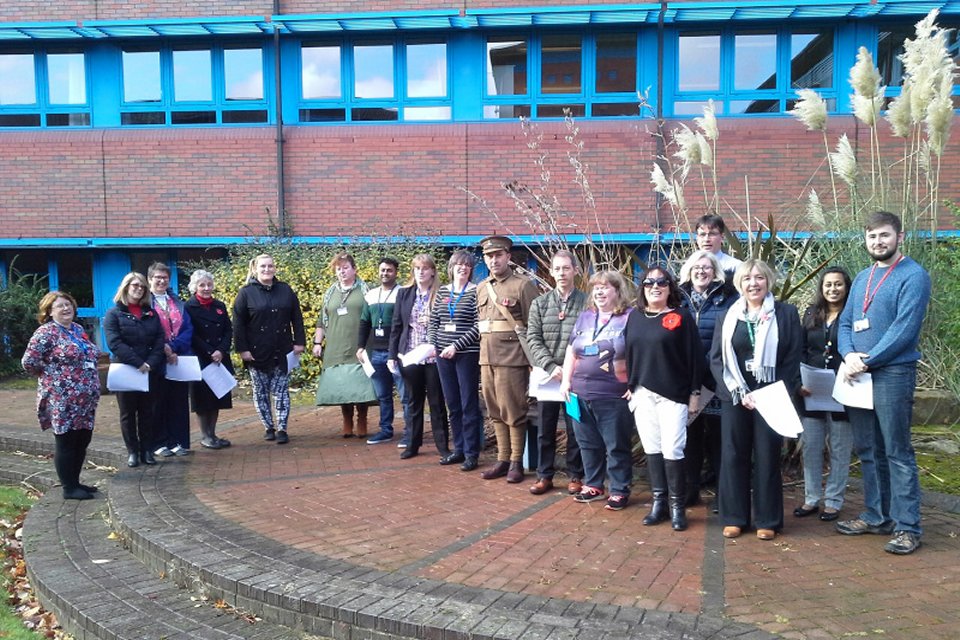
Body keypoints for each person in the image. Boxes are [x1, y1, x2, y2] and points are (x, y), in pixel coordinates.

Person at [836, 211, 930, 555]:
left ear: (899, 237)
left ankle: (908, 526)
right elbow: (846, 323)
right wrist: (848, 356)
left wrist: (866, 360)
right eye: (872, 236)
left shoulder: (914, 275)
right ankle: (877, 516)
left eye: (885, 235)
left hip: (892, 374)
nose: (878, 242)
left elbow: (904, 330)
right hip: (858, 374)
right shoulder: (862, 277)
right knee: (869, 450)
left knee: (897, 452)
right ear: (866, 239)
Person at [710, 259, 802, 541]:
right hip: (736, 394)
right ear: (739, 284)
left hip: (771, 395)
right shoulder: (728, 316)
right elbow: (717, 359)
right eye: (747, 278)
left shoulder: (785, 314)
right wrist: (736, 391)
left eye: (759, 278)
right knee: (734, 454)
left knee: (767, 455)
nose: (753, 283)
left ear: (768, 281)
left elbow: (792, 357)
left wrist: (769, 393)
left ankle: (768, 520)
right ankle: (735, 517)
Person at [626, 266, 703, 529]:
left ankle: (677, 506)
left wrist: (694, 394)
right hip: (643, 393)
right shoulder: (635, 317)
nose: (655, 287)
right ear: (643, 288)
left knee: (673, 448)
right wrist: (631, 383)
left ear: (670, 288)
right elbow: (629, 354)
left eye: (661, 282)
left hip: (673, 394)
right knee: (652, 448)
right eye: (649, 283)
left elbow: (695, 358)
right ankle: (659, 503)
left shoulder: (681, 317)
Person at [560, 271, 634, 511]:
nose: (600, 292)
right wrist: (565, 382)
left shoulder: (630, 318)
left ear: (617, 291)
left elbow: (642, 353)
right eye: (597, 288)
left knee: (615, 445)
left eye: (606, 287)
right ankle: (593, 484)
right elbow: (572, 351)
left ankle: (619, 489)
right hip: (580, 393)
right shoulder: (584, 317)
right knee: (587, 442)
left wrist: (636, 384)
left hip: (614, 394)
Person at [22, 291, 101, 499]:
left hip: (85, 399)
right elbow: (28, 362)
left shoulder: (77, 329)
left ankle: (76, 482)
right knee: (66, 441)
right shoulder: (45, 333)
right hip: (62, 399)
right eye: (60, 306)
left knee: (82, 439)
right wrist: (50, 375)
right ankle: (68, 488)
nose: (66, 309)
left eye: (68, 305)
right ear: (49, 311)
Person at [476, 235, 539, 483]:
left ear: (508, 257)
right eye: (489, 256)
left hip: (512, 357)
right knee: (494, 409)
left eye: (498, 255)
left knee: (514, 409)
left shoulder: (523, 286)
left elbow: (534, 324)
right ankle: (502, 459)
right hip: (487, 357)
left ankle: (516, 462)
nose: (494, 260)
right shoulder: (482, 287)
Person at [678, 250, 738, 507]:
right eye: (696, 268)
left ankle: (723, 495)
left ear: (715, 271)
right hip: (687, 381)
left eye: (706, 267)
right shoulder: (677, 298)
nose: (701, 272)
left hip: (717, 381)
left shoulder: (729, 298)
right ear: (689, 272)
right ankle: (690, 491)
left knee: (719, 442)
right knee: (689, 442)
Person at [794, 267, 853, 522]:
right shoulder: (810, 314)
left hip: (844, 389)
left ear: (846, 287)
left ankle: (833, 500)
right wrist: (799, 381)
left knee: (840, 447)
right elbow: (801, 348)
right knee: (811, 446)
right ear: (822, 287)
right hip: (813, 389)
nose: (833, 289)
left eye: (838, 284)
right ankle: (811, 498)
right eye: (828, 284)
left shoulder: (852, 314)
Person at [526, 250, 587, 495]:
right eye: (557, 269)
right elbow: (533, 338)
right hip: (548, 378)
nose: (562, 273)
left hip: (575, 378)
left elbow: (589, 336)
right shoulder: (539, 304)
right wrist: (551, 366)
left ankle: (575, 475)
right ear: (551, 272)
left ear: (575, 270)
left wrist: (572, 369)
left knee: (575, 428)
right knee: (546, 429)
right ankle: (544, 475)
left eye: (566, 268)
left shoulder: (587, 302)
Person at [234, 254, 306, 444]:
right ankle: (268, 426)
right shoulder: (246, 293)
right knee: (261, 391)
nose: (267, 270)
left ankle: (282, 428)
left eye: (270, 266)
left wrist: (300, 341)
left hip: (282, 349)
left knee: (281, 390)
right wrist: (242, 349)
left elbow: (296, 317)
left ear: (275, 268)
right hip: (256, 351)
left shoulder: (285, 290)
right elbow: (238, 324)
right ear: (255, 269)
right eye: (263, 266)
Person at [388, 254, 450, 460]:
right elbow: (396, 326)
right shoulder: (405, 294)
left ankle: (443, 447)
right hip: (411, 355)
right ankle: (413, 445)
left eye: (424, 268)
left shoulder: (442, 293)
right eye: (417, 269)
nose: (420, 272)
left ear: (433, 271)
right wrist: (392, 356)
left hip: (434, 356)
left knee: (436, 402)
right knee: (413, 402)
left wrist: (432, 319)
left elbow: (450, 322)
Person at [104, 272, 166, 467]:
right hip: (126, 370)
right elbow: (114, 343)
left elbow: (159, 340)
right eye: (135, 285)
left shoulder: (151, 313)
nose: (139, 289)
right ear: (125, 287)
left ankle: (147, 450)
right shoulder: (113, 314)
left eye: (142, 286)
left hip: (149, 370)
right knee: (128, 413)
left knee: (148, 412)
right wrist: (137, 362)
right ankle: (133, 450)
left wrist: (150, 363)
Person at [429, 250, 482, 471]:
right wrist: (433, 344)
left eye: (467, 265)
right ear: (451, 268)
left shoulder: (475, 293)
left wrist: (455, 346)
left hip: (466, 355)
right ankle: (458, 449)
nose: (462, 268)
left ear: (470, 270)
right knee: (452, 404)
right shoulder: (442, 292)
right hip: (442, 355)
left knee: (468, 403)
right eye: (459, 264)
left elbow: (479, 325)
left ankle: (472, 453)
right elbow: (434, 320)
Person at [313, 252, 376, 437]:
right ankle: (347, 420)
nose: (342, 272)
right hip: (336, 346)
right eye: (338, 269)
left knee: (360, 384)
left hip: (360, 344)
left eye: (345, 268)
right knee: (343, 385)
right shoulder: (330, 293)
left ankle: (362, 419)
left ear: (354, 269)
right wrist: (318, 342)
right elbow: (321, 321)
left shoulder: (366, 290)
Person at [148, 262, 194, 458]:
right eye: (157, 277)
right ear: (149, 279)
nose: (161, 280)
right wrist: (164, 348)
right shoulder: (144, 303)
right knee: (158, 402)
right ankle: (159, 442)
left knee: (179, 402)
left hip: (178, 358)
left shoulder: (177, 301)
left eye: (165, 277)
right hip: (157, 359)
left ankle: (177, 441)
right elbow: (147, 330)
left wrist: (174, 348)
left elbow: (188, 328)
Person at [184, 269, 234, 450]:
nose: (206, 288)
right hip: (201, 359)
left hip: (220, 358)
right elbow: (191, 333)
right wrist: (209, 351)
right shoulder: (188, 307)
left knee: (217, 398)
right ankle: (205, 435)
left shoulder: (219, 305)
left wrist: (221, 350)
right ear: (194, 287)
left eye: (209, 284)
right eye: (202, 285)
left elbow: (229, 330)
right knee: (202, 400)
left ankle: (213, 434)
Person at [358, 257, 406, 444]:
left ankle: (409, 433)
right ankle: (386, 430)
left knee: (405, 395)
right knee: (383, 396)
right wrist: (360, 346)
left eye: (389, 270)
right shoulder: (371, 295)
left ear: (396, 272)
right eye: (382, 270)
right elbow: (364, 323)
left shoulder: (402, 293)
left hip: (397, 353)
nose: (385, 273)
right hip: (376, 353)